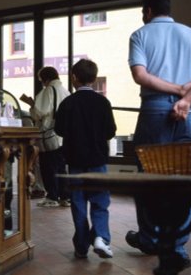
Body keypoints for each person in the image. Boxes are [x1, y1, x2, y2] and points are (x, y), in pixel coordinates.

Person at [125, 0, 191, 272]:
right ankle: (177, 247)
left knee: (148, 179)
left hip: (155, 111)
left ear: (148, 11)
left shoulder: (140, 34)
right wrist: (186, 97)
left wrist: (177, 90)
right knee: (187, 181)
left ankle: (150, 238)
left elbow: (139, 75)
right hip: (189, 113)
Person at [54, 58, 117, 259]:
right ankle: (100, 237)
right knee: (100, 201)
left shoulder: (68, 103)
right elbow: (110, 131)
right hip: (98, 160)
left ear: (74, 78)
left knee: (78, 203)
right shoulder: (103, 102)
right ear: (94, 78)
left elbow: (59, 129)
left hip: (75, 162)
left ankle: (81, 245)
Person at [20, 66, 70, 207]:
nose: (42, 83)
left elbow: (39, 113)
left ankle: (52, 196)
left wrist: (31, 104)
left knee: (48, 166)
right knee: (61, 167)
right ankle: (65, 196)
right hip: (62, 136)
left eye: (41, 80)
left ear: (46, 79)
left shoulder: (48, 90)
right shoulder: (65, 91)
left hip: (49, 135)